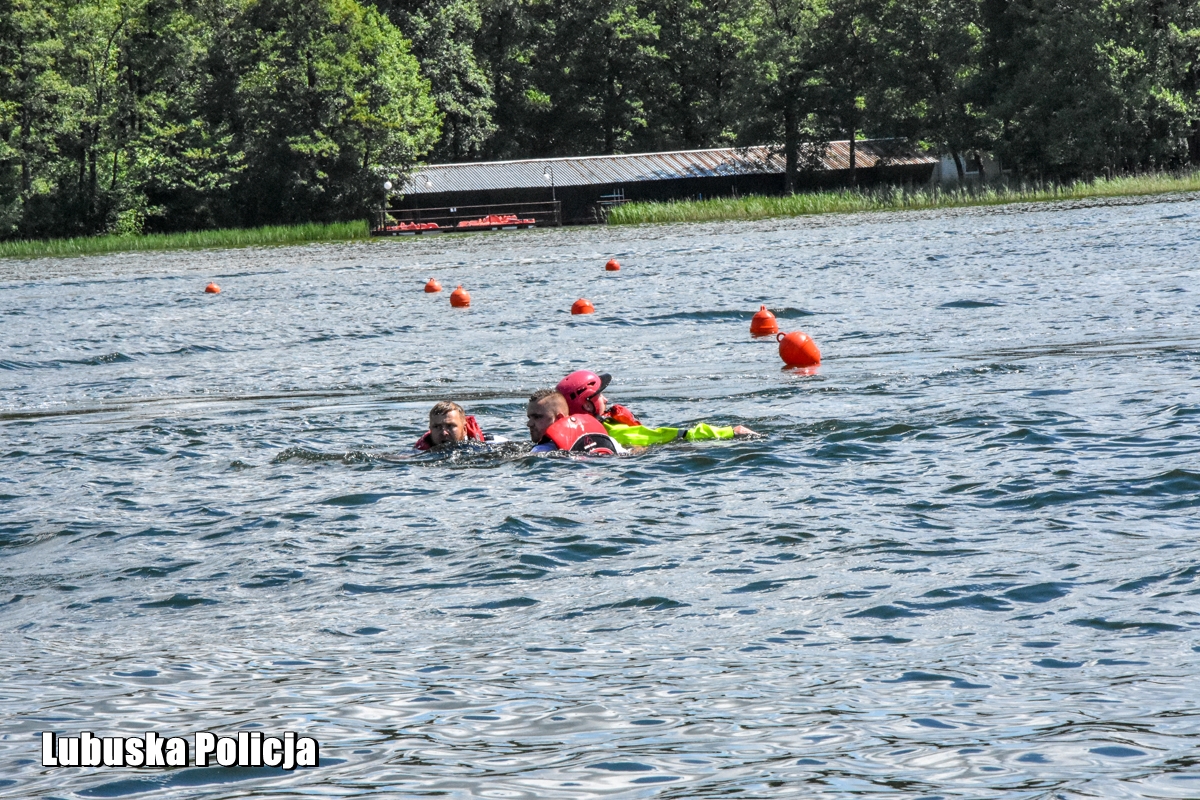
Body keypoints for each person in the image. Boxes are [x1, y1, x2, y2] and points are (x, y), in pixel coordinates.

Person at [555, 370, 757, 447]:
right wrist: (729, 432)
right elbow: (660, 435)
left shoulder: (573, 432)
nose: (606, 399)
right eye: (600, 395)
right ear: (587, 404)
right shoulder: (614, 432)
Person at [526, 389, 622, 455]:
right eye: (529, 417)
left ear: (559, 418)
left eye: (537, 417)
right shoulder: (610, 441)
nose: (529, 424)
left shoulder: (542, 450)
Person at [413, 401, 498, 450]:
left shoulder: (493, 444)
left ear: (464, 429)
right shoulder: (417, 453)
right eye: (437, 427)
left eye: (450, 426)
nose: (444, 432)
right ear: (430, 430)